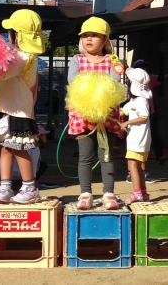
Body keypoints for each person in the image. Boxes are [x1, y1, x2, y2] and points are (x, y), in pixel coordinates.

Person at [67, 16, 121, 210]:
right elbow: (73, 83)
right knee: (85, 156)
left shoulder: (112, 60)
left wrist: (102, 103)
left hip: (107, 115)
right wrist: (91, 100)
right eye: (85, 36)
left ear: (106, 39)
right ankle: (85, 193)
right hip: (83, 114)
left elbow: (116, 83)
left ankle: (109, 193)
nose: (89, 39)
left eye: (95, 35)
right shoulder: (77, 59)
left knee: (106, 155)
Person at [0, 9, 43, 205]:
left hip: (19, 111)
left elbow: (3, 73)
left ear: (18, 34)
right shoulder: (19, 55)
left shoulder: (24, 57)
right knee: (6, 147)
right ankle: (5, 186)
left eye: (10, 31)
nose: (7, 36)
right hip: (8, 109)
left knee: (20, 148)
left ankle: (29, 187)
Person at [121, 67, 153, 204]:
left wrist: (127, 123)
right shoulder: (133, 102)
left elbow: (144, 117)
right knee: (139, 166)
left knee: (132, 166)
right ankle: (143, 192)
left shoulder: (141, 101)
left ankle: (137, 194)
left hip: (138, 139)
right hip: (138, 139)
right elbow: (122, 111)